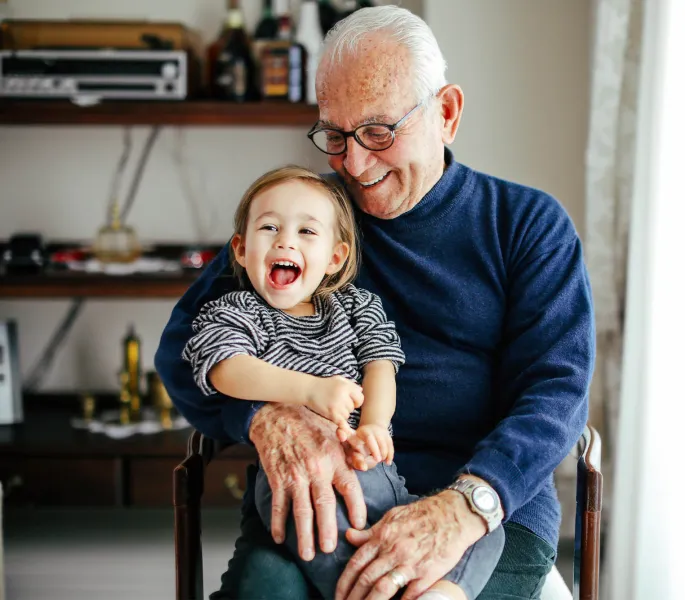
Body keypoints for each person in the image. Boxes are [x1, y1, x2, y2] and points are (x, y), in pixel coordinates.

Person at [155, 5, 595, 600]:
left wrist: (465, 507)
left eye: (379, 133)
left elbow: (557, 391)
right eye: (335, 136)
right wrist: (263, 415)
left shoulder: (526, 224)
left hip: (482, 506)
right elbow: (184, 348)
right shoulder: (305, 221)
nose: (354, 165)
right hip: (322, 493)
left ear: (446, 113)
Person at [180, 165, 504, 600]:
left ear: (335, 257)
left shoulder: (355, 306)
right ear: (240, 249)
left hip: (378, 474)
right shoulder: (237, 311)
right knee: (325, 537)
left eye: (306, 231)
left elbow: (381, 366)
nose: (285, 241)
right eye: (269, 227)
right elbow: (226, 368)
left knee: (486, 531)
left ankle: (442, 594)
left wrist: (374, 424)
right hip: (298, 480)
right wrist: (309, 390)